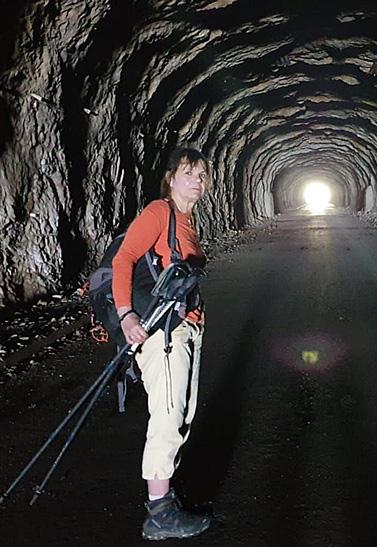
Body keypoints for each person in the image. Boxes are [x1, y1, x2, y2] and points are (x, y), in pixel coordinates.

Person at [111, 147, 212, 540]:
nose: (198, 181)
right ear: (171, 178)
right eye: (189, 173)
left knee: (181, 414)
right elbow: (125, 259)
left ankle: (166, 490)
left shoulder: (187, 220)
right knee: (168, 416)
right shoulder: (159, 212)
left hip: (188, 327)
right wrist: (126, 314)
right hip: (162, 332)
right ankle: (159, 514)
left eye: (203, 175)